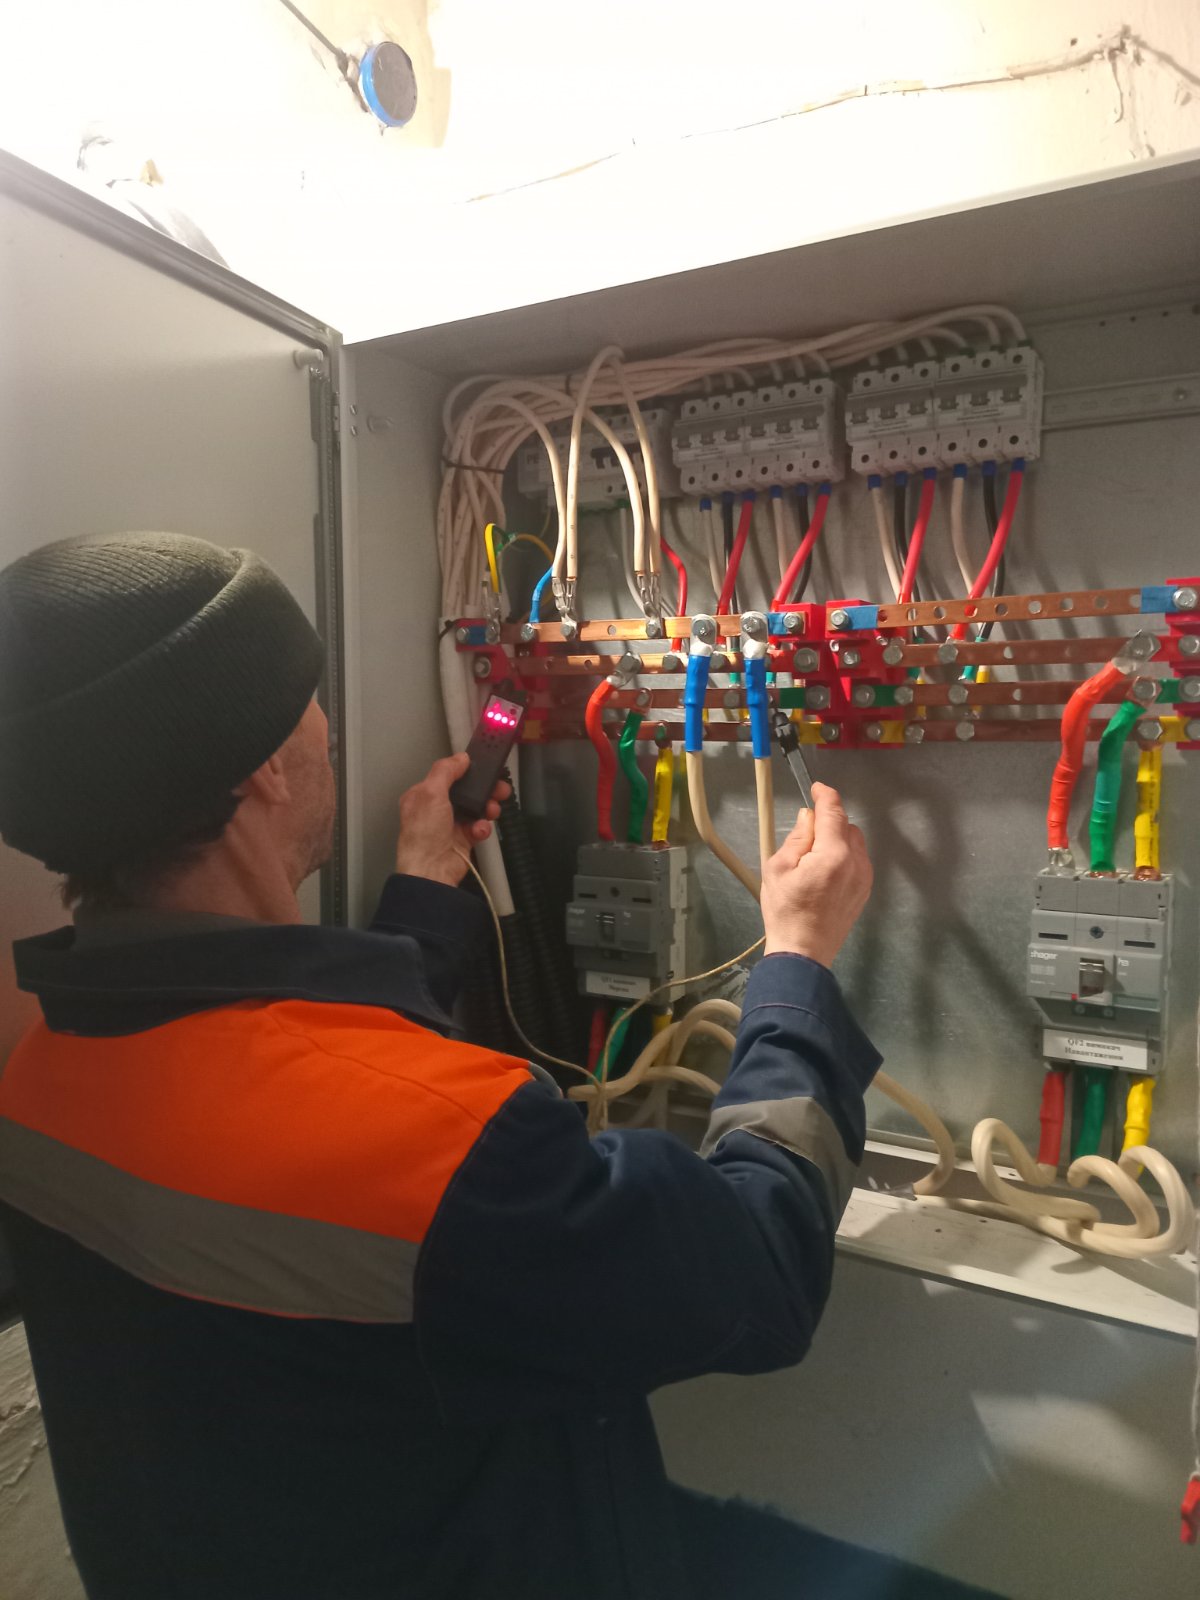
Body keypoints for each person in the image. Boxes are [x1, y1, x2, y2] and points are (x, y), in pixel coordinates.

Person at [0, 531, 975, 1600]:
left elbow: (305, 1089)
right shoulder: (455, 1154)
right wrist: (797, 962)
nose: (327, 727)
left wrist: (425, 889)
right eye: (310, 703)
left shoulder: (39, 1082)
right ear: (267, 770)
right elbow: (758, 1269)